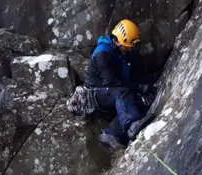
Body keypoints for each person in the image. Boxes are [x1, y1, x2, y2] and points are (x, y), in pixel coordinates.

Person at [66, 19, 156, 149]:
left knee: (137, 102)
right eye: (128, 47)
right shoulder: (102, 53)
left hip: (108, 91)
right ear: (119, 41)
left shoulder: (121, 53)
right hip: (94, 94)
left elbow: (122, 80)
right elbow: (112, 82)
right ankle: (131, 125)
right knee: (122, 93)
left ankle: (110, 133)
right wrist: (139, 87)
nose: (129, 50)